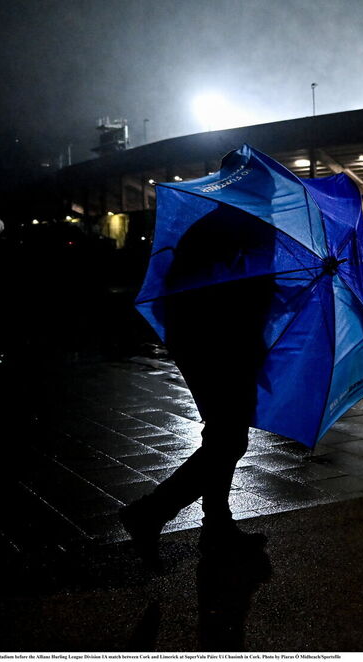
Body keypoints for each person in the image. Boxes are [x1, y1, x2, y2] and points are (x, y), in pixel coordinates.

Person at [121, 202, 274, 559]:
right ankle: (150, 512)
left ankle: (217, 521)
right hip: (225, 346)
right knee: (228, 441)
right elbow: (249, 290)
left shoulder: (212, 226)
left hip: (206, 344)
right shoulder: (244, 229)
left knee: (223, 436)